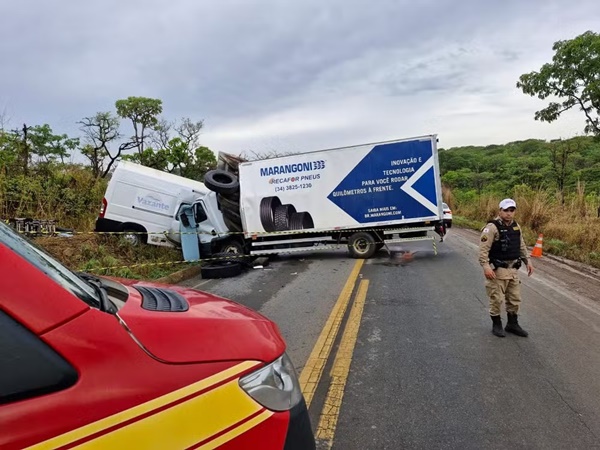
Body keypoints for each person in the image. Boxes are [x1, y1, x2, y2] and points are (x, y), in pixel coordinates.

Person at [478, 198, 534, 337]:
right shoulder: (491, 228)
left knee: (514, 298)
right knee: (496, 299)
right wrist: (486, 267)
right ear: (500, 211)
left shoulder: (516, 226)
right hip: (498, 270)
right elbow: (483, 250)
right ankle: (496, 325)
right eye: (506, 210)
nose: (509, 213)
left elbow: (521, 245)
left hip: (513, 269)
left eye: (512, 210)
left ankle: (512, 324)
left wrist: (528, 261)